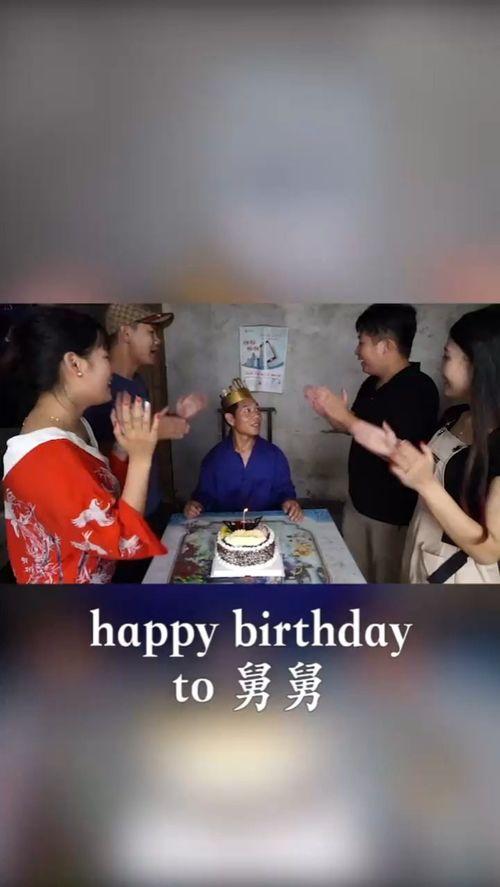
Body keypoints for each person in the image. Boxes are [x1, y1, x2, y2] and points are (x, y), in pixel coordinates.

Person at [2, 306, 166, 584]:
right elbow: (122, 540)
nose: (111, 368)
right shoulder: (45, 458)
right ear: (75, 364)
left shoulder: (74, 425)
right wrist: (141, 458)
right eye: (105, 356)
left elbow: (96, 498)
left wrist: (122, 450)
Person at [305, 304, 439, 582]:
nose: (357, 351)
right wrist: (331, 414)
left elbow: (402, 454)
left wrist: (346, 417)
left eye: (361, 342)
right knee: (353, 576)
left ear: (386, 346)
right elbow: (354, 427)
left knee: (385, 586)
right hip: (358, 503)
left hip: (391, 516)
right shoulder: (371, 384)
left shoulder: (418, 389)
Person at [390, 305, 500, 583]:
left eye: (447, 356)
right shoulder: (455, 416)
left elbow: (490, 550)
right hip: (421, 551)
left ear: (478, 365)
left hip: (459, 577)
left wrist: (426, 484)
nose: (441, 367)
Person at [184, 378, 302, 521]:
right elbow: (203, 495)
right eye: (247, 411)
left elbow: (285, 491)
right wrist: (195, 505)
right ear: (231, 419)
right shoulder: (214, 459)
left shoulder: (274, 455)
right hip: (225, 528)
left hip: (266, 526)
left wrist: (290, 502)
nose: (257, 415)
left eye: (257, 409)